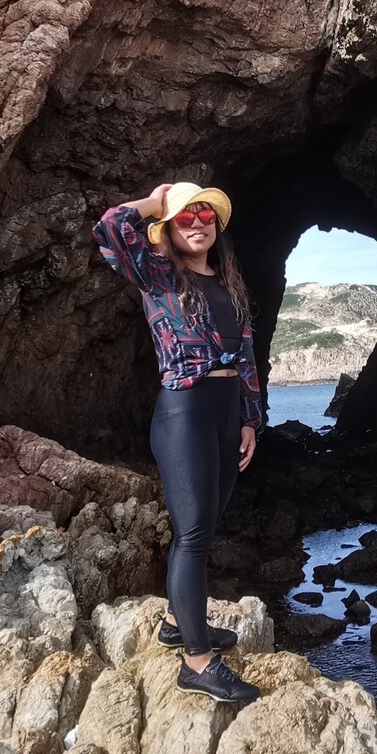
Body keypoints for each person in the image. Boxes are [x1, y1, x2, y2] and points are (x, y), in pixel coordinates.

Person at [93, 180, 263, 704]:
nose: (197, 223)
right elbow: (111, 227)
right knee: (191, 535)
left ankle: (175, 622)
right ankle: (197, 663)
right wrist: (156, 200)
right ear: (168, 228)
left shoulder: (229, 284)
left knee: (204, 530)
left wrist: (250, 420)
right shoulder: (159, 275)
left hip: (226, 412)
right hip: (184, 412)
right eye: (185, 216)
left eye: (205, 215)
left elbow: (247, 358)